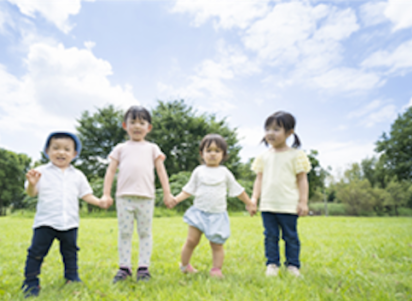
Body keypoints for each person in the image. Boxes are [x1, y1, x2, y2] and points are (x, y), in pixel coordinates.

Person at [22, 132, 105, 298]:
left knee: (70, 252)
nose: (61, 152)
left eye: (67, 149)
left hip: (70, 222)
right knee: (36, 252)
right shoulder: (40, 172)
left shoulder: (78, 175)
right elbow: (32, 193)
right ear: (47, 151)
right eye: (56, 148)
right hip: (45, 221)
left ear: (74, 154)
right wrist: (32, 185)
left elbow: (85, 194)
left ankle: (72, 276)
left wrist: (99, 202)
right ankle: (31, 282)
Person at [101, 105, 174, 283]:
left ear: (148, 128)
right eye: (132, 122)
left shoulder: (153, 148)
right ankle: (124, 267)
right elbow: (110, 171)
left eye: (142, 122)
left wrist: (168, 194)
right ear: (125, 126)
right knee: (125, 232)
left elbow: (161, 172)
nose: (137, 126)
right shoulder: (120, 148)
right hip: (124, 197)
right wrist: (106, 194)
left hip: (146, 197)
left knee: (145, 233)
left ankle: (143, 268)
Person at [170, 134, 256, 278]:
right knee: (191, 241)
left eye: (217, 151)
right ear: (202, 153)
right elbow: (188, 189)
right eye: (208, 150)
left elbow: (238, 190)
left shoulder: (224, 172)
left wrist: (249, 203)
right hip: (199, 213)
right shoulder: (198, 171)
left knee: (216, 244)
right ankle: (185, 265)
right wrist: (176, 200)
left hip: (217, 215)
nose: (212, 154)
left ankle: (216, 269)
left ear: (223, 155)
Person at [251, 111, 310, 277]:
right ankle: (272, 264)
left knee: (290, 236)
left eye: (276, 129)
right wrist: (254, 199)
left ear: (289, 133)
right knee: (270, 236)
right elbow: (259, 179)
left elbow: (302, 180)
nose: (270, 133)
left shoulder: (296, 155)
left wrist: (303, 202)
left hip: (288, 205)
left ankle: (293, 265)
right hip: (268, 205)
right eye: (267, 129)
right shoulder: (263, 156)